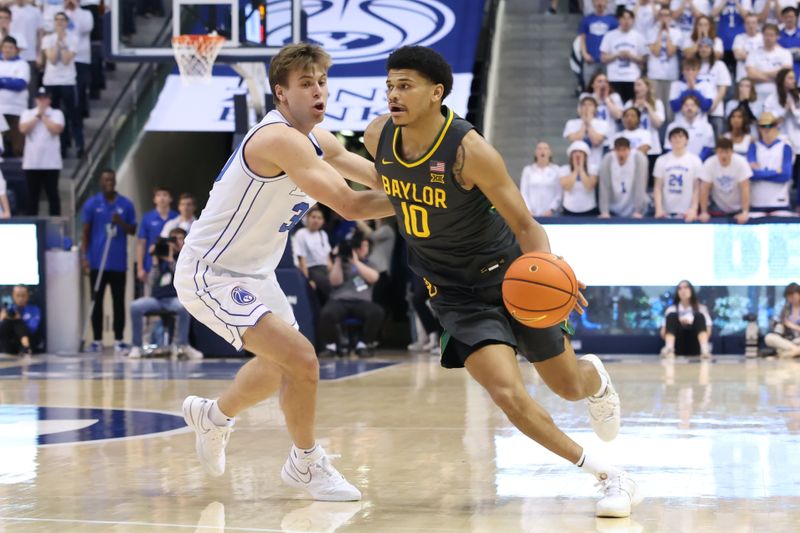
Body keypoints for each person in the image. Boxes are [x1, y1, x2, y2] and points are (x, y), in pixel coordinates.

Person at [363, 45, 640, 517]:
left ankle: (597, 381)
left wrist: (553, 275)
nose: (393, 94)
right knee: (508, 396)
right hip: (453, 295)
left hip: (512, 279)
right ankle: (610, 475)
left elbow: (526, 225)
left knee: (569, 386)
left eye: (404, 85)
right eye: (389, 85)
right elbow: (387, 187)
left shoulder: (470, 152)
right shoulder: (377, 137)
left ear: (437, 93)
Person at [175, 43, 395, 501]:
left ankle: (213, 417)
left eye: (321, 83)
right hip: (211, 271)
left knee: (280, 369)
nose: (318, 92)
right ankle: (306, 463)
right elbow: (352, 205)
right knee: (302, 359)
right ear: (280, 93)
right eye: (305, 84)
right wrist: (430, 202)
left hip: (256, 271)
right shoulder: (277, 139)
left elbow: (377, 179)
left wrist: (428, 178)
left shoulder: (321, 139)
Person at [80, 169, 136, 353]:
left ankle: (119, 339)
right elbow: (86, 232)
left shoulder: (125, 205)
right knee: (96, 300)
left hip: (118, 263)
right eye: (106, 180)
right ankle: (97, 340)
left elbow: (132, 230)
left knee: (118, 301)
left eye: (112, 179)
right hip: (97, 262)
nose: (109, 182)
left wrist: (120, 222)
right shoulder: (92, 204)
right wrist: (84, 257)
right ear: (101, 182)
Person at [128, 227, 202, 360]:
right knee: (135, 306)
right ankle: (136, 347)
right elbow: (151, 282)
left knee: (183, 307)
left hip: (175, 298)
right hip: (157, 300)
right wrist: (155, 262)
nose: (177, 242)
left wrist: (171, 261)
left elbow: (185, 277)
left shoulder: (186, 258)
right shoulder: (160, 256)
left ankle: (182, 345)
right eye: (174, 239)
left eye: (180, 239)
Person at [318, 233, 384, 358]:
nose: (363, 248)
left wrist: (355, 262)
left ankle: (363, 345)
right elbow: (334, 281)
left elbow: (374, 278)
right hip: (340, 300)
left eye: (366, 246)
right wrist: (338, 258)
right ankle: (332, 346)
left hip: (362, 302)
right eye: (361, 245)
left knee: (377, 312)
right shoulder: (341, 263)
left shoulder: (369, 264)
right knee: (327, 313)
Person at [41, 11, 82, 158]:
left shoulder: (74, 39)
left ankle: (79, 145)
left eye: (62, 20)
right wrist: (57, 40)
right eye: (56, 20)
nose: (59, 23)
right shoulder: (47, 39)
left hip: (68, 81)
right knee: (53, 114)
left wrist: (62, 42)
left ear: (66, 22)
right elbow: (52, 59)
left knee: (73, 113)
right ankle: (59, 146)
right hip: (51, 81)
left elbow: (65, 60)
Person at [19, 86, 63, 216]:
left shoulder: (57, 114)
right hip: (32, 163)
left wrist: (43, 116)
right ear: (36, 100)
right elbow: (23, 129)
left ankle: (56, 225)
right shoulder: (27, 113)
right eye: (40, 99)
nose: (42, 101)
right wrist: (37, 116)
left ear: (49, 100)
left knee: (53, 195)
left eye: (45, 98)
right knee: (32, 197)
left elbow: (56, 129)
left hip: (51, 163)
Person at [747, 111, 795, 216]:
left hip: (780, 202)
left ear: (776, 126)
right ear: (759, 128)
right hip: (757, 202)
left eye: (770, 125)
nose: (767, 129)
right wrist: (775, 171)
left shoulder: (785, 147)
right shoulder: (753, 147)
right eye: (763, 126)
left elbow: (785, 175)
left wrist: (761, 173)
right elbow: (751, 175)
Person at [654, 126, 704, 220]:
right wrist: (659, 209)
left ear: (686, 140)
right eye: (674, 137)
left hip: (687, 213)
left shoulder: (695, 160)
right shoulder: (661, 160)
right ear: (669, 140)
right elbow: (657, 187)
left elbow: (697, 188)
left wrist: (694, 209)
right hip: (666, 212)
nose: (677, 139)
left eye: (681, 136)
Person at [698, 137, 752, 223]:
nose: (724, 156)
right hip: (718, 206)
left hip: (738, 206)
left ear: (732, 152)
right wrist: (704, 212)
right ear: (716, 152)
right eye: (720, 152)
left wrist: (745, 212)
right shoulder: (709, 163)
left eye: (727, 152)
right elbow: (704, 188)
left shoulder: (741, 162)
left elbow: (745, 188)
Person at [763, 68, 800, 189]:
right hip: (780, 142)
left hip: (798, 142)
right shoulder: (771, 99)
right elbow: (768, 123)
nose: (793, 81)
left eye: (794, 78)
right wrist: (784, 111)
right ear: (781, 80)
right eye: (790, 78)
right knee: (784, 175)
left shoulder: (798, 97)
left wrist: (794, 111)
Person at [599, 9, 646, 102]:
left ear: (633, 20)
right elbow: (603, 58)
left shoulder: (638, 37)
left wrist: (631, 56)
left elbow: (643, 59)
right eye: (624, 18)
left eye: (629, 19)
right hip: (614, 77)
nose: (626, 21)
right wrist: (617, 55)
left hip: (632, 78)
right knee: (616, 104)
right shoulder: (609, 36)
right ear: (619, 20)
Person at [136, 186, 177, 288]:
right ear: (154, 199)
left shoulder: (176, 217)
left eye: (165, 195)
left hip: (172, 264)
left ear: (171, 198)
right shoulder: (147, 217)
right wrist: (140, 268)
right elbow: (141, 243)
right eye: (158, 195)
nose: (162, 198)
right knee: (149, 297)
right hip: (151, 264)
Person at [660, 280, 713, 358]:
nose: (683, 291)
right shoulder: (671, 309)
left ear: (691, 290)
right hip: (677, 344)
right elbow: (663, 333)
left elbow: (708, 331)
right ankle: (669, 349)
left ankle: (705, 349)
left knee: (699, 316)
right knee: (672, 316)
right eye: (680, 288)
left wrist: (692, 324)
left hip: (695, 343)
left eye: (686, 287)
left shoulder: (701, 308)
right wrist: (678, 323)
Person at [598, 137, 649, 218]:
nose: (621, 154)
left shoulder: (639, 158)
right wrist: (604, 211)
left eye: (624, 150)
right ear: (614, 150)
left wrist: (638, 211)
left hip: (633, 205)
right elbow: (604, 186)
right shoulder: (608, 159)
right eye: (618, 150)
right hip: (614, 205)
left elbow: (640, 185)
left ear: (629, 149)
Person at [646, 5, 683, 116]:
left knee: (669, 109)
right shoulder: (651, 32)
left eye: (666, 15)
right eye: (661, 15)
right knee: (656, 107)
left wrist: (667, 32)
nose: (664, 18)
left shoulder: (677, 32)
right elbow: (656, 51)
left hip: (671, 75)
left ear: (671, 18)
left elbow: (670, 51)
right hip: (654, 74)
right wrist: (660, 33)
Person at [292, 205, 333, 305]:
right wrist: (308, 280)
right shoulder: (301, 234)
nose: (316, 220)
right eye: (313, 217)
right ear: (307, 218)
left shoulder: (323, 234)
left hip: (324, 271)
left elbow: (328, 259)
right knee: (329, 289)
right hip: (311, 270)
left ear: (323, 221)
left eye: (319, 218)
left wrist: (333, 275)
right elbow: (302, 260)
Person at [746, 23, 792, 104]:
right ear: (762, 36)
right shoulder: (753, 53)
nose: (768, 38)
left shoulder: (785, 53)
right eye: (766, 35)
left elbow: (785, 73)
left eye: (771, 35)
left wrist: (759, 73)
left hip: (778, 93)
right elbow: (751, 74)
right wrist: (774, 77)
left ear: (777, 36)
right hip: (758, 94)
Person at [696, 37, 732, 136]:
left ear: (712, 49)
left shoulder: (719, 65)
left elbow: (723, 88)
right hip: (696, 112)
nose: (704, 49)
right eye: (701, 47)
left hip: (715, 110)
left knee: (716, 139)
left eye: (707, 47)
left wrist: (712, 106)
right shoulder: (694, 66)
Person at [0, 36, 29, 157]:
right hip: (0, 110)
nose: (7, 50)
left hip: (17, 109)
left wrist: (1, 81)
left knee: (17, 146)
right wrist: (9, 80)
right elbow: (14, 82)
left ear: (16, 49)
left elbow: (20, 84)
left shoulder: (22, 65)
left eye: (10, 47)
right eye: (5, 47)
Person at [579, 0, 619, 88]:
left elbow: (616, 40)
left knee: (609, 87)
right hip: (591, 59)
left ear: (607, 3)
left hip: (607, 60)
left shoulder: (613, 21)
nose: (600, 3)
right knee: (589, 86)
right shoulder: (587, 20)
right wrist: (584, 54)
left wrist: (611, 56)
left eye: (602, 1)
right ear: (593, 3)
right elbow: (582, 38)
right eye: (597, 1)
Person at [563, 93, 608, 168]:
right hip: (576, 164)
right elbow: (576, 139)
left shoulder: (603, 124)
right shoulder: (571, 123)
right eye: (584, 105)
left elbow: (596, 141)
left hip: (596, 163)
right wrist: (584, 123)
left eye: (590, 105)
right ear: (580, 108)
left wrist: (589, 124)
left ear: (595, 108)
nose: (587, 107)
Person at [664, 95, 716, 160]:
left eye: (693, 105)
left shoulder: (707, 127)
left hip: (700, 164)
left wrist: (695, 162)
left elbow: (708, 148)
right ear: (681, 108)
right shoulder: (672, 127)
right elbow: (668, 148)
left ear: (698, 108)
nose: (689, 108)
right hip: (677, 164)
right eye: (686, 105)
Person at [519, 141, 562, 217]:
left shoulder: (556, 170)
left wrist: (552, 209)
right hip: (531, 214)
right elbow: (524, 192)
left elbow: (559, 193)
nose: (542, 151)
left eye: (545, 148)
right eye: (539, 148)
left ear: (550, 152)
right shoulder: (528, 170)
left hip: (550, 215)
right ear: (535, 153)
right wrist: (528, 209)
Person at [560, 140, 600, 216]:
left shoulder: (593, 169)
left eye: (581, 152)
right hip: (569, 211)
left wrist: (581, 168)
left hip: (589, 210)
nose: (577, 155)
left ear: (585, 156)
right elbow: (567, 187)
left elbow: (589, 186)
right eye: (575, 152)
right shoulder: (564, 169)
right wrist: (575, 170)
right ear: (571, 156)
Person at [0, 285, 41, 355]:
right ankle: (26, 347)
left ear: (28, 296)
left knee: (17, 322)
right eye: (18, 295)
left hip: (28, 338)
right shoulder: (9, 310)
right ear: (13, 295)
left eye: (23, 295)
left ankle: (26, 347)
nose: (20, 298)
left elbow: (33, 328)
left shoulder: (34, 310)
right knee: (6, 322)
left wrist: (19, 319)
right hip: (8, 342)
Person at [764, 282, 800, 358]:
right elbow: (776, 326)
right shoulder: (784, 309)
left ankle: (788, 353)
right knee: (769, 337)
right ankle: (796, 351)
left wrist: (793, 326)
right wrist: (778, 324)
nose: (791, 299)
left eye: (793, 296)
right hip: (788, 341)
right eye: (789, 297)